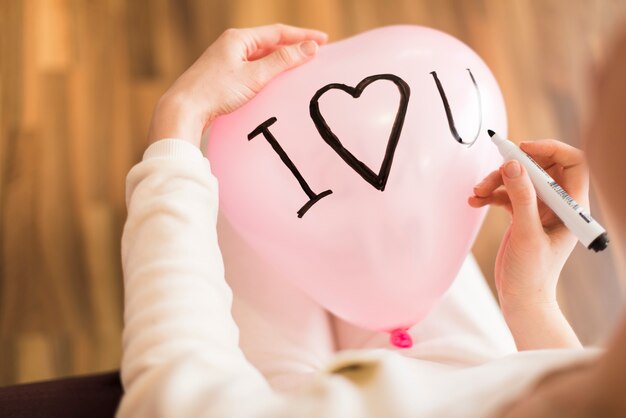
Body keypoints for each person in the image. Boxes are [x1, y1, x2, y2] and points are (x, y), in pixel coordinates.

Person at [116, 24, 625, 417]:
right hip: (481, 364)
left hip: (292, 400)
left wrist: (179, 123)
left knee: (251, 180)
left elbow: (173, 399)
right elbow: (580, 387)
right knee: (291, 185)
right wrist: (531, 300)